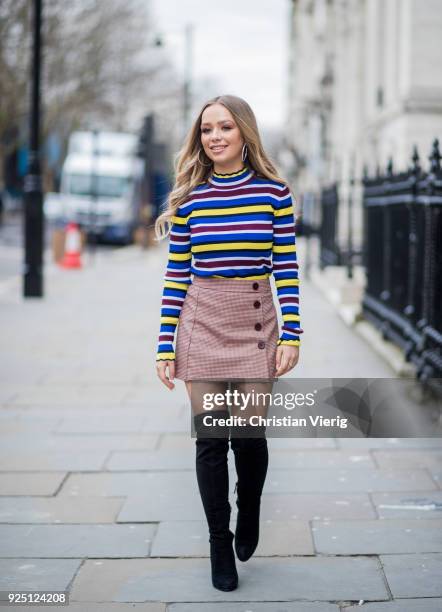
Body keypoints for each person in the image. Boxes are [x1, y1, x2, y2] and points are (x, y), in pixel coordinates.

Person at [155, 94, 303, 592]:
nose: (214, 137)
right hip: (201, 323)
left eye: (224, 127)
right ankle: (220, 542)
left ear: (244, 133)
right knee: (211, 439)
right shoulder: (189, 199)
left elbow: (285, 267)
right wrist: (164, 345)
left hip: (257, 322)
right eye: (206, 130)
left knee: (250, 436)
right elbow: (177, 275)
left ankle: (251, 506)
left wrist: (294, 335)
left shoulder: (274, 194)